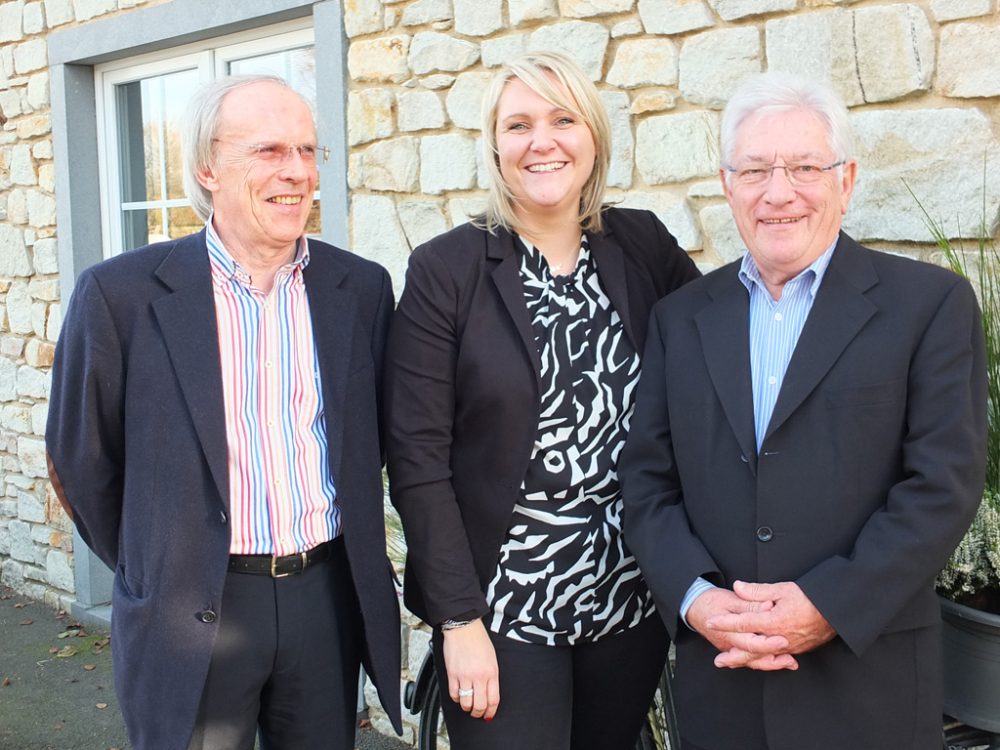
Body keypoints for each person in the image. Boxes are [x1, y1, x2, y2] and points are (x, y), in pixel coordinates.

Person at [619, 71, 987, 750]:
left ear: (845, 181)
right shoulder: (681, 320)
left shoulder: (928, 306)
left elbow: (943, 486)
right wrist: (698, 600)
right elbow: (646, 483)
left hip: (864, 684)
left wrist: (827, 605)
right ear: (728, 186)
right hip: (721, 685)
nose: (778, 191)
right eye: (755, 169)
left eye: (804, 166)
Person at [45, 75, 401, 750]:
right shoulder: (119, 296)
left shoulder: (359, 288)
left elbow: (376, 442)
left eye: (306, 150)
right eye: (269, 151)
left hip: (325, 602)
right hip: (190, 612)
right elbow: (81, 458)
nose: (296, 172)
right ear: (207, 167)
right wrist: (156, 566)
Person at [384, 51, 700, 750]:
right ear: (496, 146)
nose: (542, 141)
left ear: (592, 136)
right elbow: (417, 458)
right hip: (504, 612)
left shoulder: (643, 245)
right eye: (518, 123)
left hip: (629, 597)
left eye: (562, 119)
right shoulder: (448, 270)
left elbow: (716, 360)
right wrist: (458, 621)